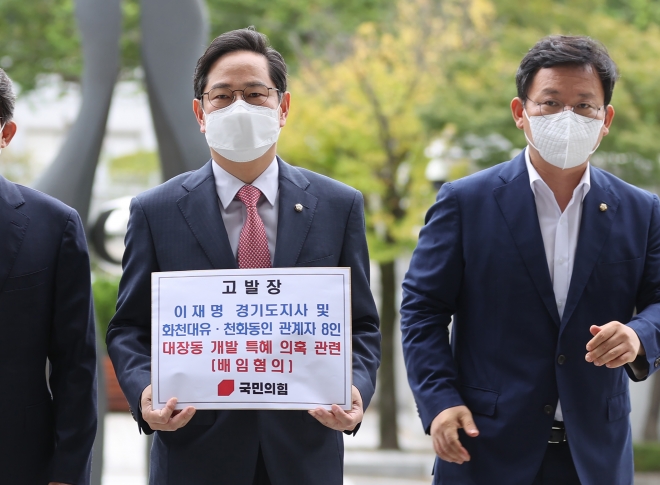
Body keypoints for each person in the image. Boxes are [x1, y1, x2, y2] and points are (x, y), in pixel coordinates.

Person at [106, 27, 380, 485]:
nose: (239, 107)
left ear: (283, 107)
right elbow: (129, 327)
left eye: (255, 94)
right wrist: (145, 392)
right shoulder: (154, 210)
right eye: (223, 96)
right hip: (194, 453)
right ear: (200, 111)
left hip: (304, 451)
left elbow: (363, 324)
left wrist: (354, 388)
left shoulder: (338, 205)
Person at [400, 35, 660, 485]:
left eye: (585, 106)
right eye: (550, 102)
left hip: (594, 457)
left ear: (606, 119)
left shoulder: (642, 210)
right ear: (520, 113)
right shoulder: (465, 201)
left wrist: (639, 336)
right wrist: (439, 400)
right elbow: (422, 311)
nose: (567, 117)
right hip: (484, 449)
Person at [0, 68, 97, 485]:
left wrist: (67, 472)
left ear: (6, 133)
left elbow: (76, 363)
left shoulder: (54, 225)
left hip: (19, 461)